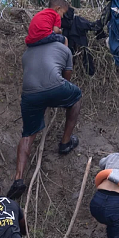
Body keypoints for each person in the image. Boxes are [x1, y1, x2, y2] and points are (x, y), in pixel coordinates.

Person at [8, 41, 81, 199]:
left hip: (30, 94)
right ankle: (65, 142)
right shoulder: (64, 49)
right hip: (55, 87)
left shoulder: (27, 52)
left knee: (28, 133)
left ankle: (18, 179)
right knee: (76, 96)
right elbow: (66, 80)